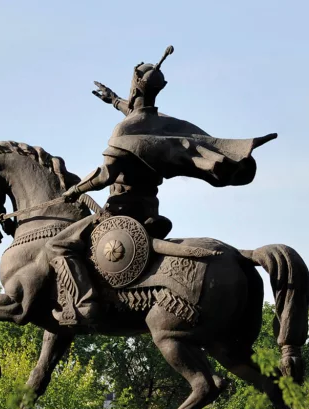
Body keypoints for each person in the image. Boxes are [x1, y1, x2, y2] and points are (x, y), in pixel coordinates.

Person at [48, 45, 276, 325]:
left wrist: (75, 190)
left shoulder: (125, 130)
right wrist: (114, 100)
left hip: (120, 214)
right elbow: (137, 116)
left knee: (58, 245)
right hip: (150, 212)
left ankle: (82, 304)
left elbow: (105, 174)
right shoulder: (162, 125)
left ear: (135, 87)